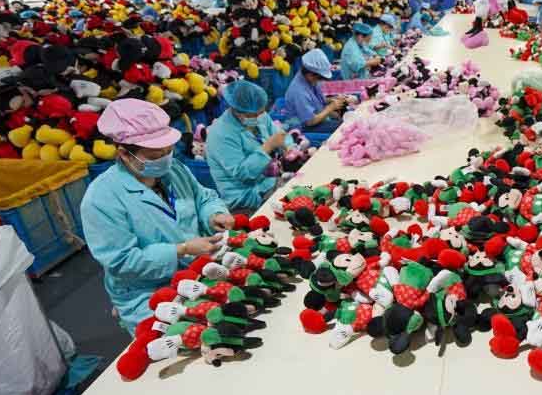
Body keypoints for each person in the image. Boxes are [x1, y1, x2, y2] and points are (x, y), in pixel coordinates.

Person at [81, 99, 233, 335]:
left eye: (168, 150)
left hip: (198, 268)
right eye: (155, 155)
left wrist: (214, 214)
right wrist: (181, 250)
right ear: (124, 153)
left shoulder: (173, 170)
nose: (165, 158)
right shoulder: (101, 199)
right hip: (149, 293)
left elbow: (202, 197)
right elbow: (122, 261)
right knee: (186, 340)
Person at [205, 80, 289, 212]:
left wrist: (290, 148)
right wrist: (267, 147)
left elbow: (279, 135)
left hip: (270, 181)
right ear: (236, 110)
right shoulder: (221, 134)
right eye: (253, 114)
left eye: (261, 112)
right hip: (246, 197)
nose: (259, 117)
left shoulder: (259, 116)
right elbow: (243, 174)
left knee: (307, 185)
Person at [284, 48, 350, 132]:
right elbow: (309, 121)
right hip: (303, 127)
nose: (319, 81)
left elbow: (314, 100)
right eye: (319, 78)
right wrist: (330, 108)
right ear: (310, 75)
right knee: (343, 127)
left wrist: (331, 100)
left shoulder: (309, 79)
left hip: (315, 118)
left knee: (345, 121)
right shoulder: (298, 91)